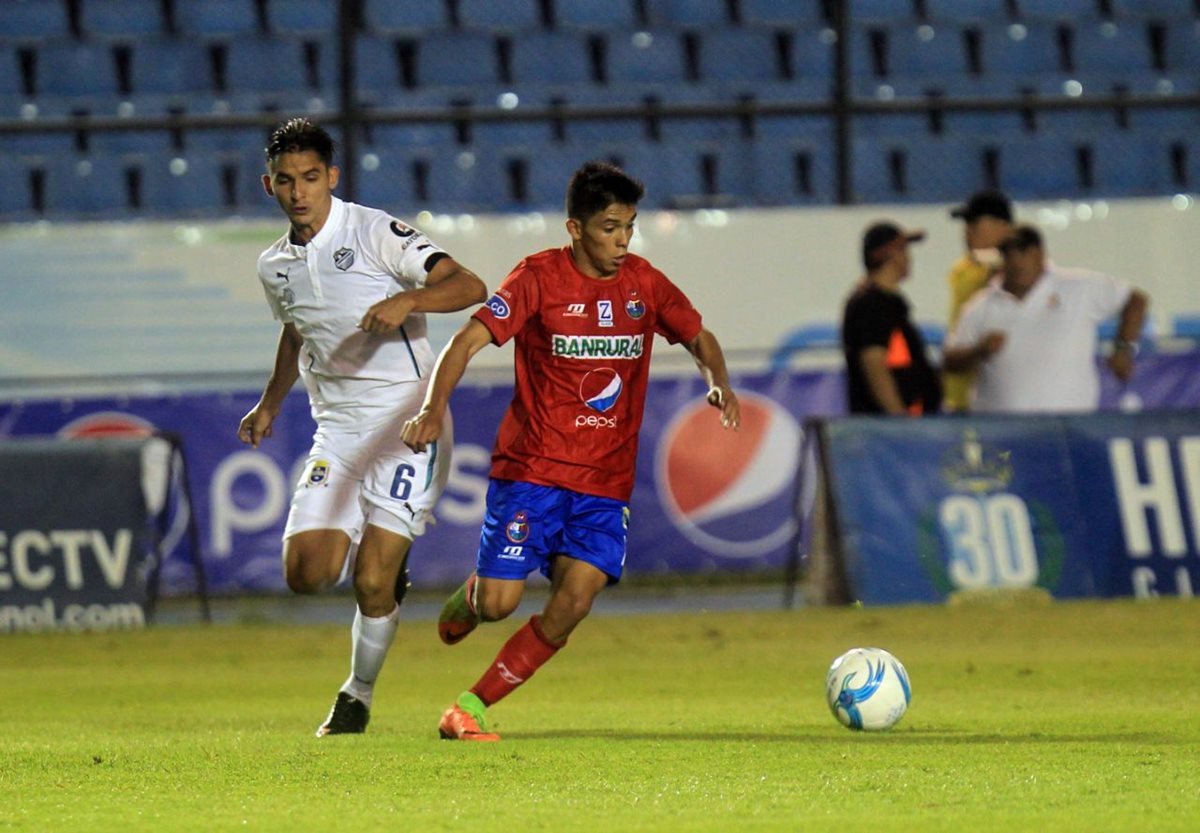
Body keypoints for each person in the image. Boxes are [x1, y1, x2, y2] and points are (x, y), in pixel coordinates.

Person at [399, 161, 741, 741]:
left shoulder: (645, 285)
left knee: (574, 602)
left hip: (605, 483)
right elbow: (466, 341)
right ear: (575, 229)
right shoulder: (537, 279)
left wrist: (719, 379)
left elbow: (698, 335)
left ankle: (468, 708)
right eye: (610, 227)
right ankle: (478, 594)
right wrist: (432, 409)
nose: (623, 240)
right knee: (502, 604)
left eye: (629, 227)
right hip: (533, 471)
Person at [237, 117, 488, 736]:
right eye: (288, 180)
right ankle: (380, 565)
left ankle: (357, 694)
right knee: (308, 574)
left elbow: (470, 285)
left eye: (312, 178)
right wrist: (271, 401)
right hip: (339, 434)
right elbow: (297, 327)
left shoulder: (375, 232)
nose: (301, 192)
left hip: (409, 423)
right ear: (268, 185)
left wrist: (410, 298)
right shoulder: (274, 266)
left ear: (333, 178)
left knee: (372, 582)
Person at [942, 223, 1149, 413]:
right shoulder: (982, 305)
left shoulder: (1077, 287)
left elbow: (1135, 300)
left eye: (1024, 251)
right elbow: (950, 360)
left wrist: (1123, 349)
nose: (1018, 260)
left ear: (1040, 254)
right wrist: (979, 350)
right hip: (1001, 434)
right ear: (1002, 258)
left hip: (1069, 429)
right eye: (1010, 253)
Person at [841, 221, 943, 415]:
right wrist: (898, 421)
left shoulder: (886, 303)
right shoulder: (872, 304)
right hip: (884, 432)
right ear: (886, 254)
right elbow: (874, 363)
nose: (908, 258)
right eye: (902, 250)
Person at [944, 189, 1015, 412]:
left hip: (1002, 395)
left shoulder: (1021, 272)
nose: (967, 231)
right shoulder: (964, 269)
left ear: (1003, 226)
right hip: (964, 393)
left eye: (974, 223)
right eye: (966, 225)